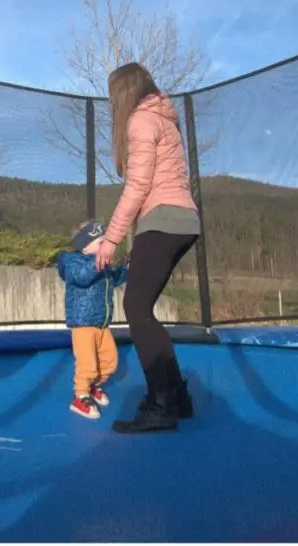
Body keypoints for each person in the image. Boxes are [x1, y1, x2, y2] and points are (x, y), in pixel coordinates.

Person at [93, 62, 200, 434]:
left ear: (123, 93)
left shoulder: (140, 121)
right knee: (145, 310)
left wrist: (111, 238)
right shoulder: (165, 118)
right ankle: (176, 397)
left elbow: (137, 187)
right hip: (184, 218)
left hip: (164, 218)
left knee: (136, 309)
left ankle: (160, 405)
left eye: (112, 96)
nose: (110, 104)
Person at [58, 220, 128, 420]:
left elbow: (114, 279)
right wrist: (98, 262)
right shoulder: (73, 262)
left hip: (101, 322)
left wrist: (127, 268)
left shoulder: (101, 265)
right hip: (83, 323)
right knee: (87, 362)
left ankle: (94, 385)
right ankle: (80, 396)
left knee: (110, 360)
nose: (105, 248)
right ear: (84, 245)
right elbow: (81, 277)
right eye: (101, 243)